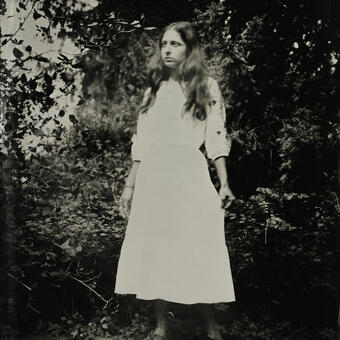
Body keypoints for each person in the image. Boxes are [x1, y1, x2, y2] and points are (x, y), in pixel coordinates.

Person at [114, 21, 235, 340]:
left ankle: (211, 324)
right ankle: (161, 325)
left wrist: (223, 183)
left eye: (175, 44)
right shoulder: (153, 89)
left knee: (198, 241)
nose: (167, 50)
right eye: (164, 44)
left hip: (189, 172)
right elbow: (141, 142)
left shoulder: (206, 86)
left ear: (190, 49)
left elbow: (216, 136)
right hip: (155, 175)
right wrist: (129, 186)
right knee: (157, 245)